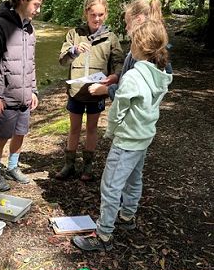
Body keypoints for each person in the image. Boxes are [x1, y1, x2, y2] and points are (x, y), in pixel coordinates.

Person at [72, 20, 173, 252]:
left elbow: (119, 109)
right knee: (134, 178)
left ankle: (104, 235)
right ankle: (127, 216)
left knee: (110, 185)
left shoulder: (134, 76)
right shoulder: (159, 73)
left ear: (139, 46)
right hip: (143, 137)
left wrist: (111, 131)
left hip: (127, 140)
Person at [0, 0, 46, 191]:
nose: (38, 9)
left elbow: (31, 63)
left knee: (20, 133)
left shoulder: (30, 29)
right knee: (2, 137)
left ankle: (13, 167)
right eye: (36, 4)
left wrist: (34, 90)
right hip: (4, 97)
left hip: (25, 96)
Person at [55, 0, 124, 182]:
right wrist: (74, 50)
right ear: (86, 13)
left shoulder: (111, 38)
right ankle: (69, 164)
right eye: (93, 14)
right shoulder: (74, 34)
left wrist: (115, 76)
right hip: (76, 92)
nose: (97, 19)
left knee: (92, 128)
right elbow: (62, 60)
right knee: (74, 128)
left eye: (101, 15)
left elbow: (119, 61)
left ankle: (88, 165)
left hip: (96, 92)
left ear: (106, 14)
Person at [88, 0, 172, 101]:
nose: (126, 28)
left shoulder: (143, 54)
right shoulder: (150, 48)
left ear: (139, 19)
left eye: (127, 23)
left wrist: (106, 90)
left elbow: (133, 93)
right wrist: (117, 77)